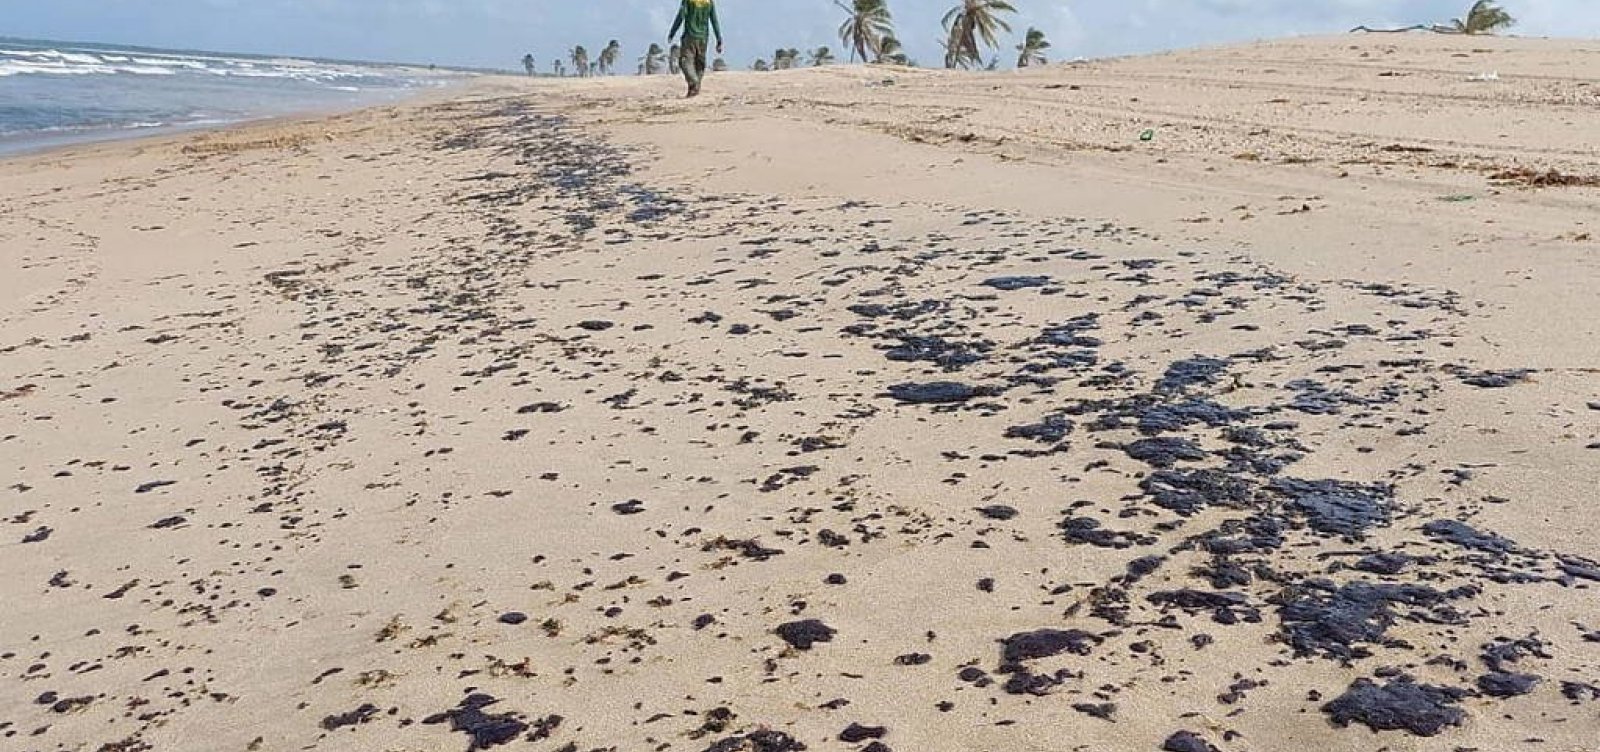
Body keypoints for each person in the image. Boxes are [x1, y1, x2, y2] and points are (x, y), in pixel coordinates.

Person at [668, 0, 723, 97]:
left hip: (690, 36)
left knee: (685, 62)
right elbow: (714, 20)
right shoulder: (709, 1)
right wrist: (719, 39)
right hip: (703, 38)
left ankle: (694, 83)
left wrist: (672, 32)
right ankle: (694, 89)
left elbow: (681, 16)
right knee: (699, 64)